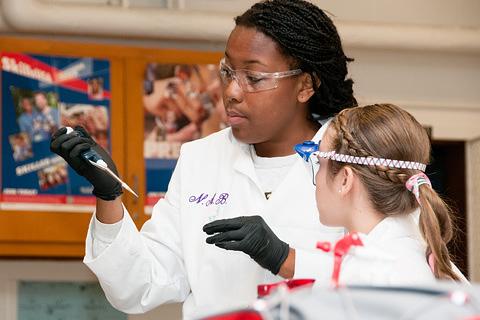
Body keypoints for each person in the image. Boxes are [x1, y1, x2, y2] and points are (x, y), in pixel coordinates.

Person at [50, 0, 357, 318]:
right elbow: (139, 287)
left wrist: (284, 256)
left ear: (305, 85)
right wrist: (108, 194)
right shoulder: (202, 159)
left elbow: (389, 280)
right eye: (227, 73)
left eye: (253, 78)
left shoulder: (357, 160)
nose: (232, 92)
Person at [297, 103, 465, 285]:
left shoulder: (368, 274)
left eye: (319, 163)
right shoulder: (413, 252)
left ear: (345, 179)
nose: (317, 179)